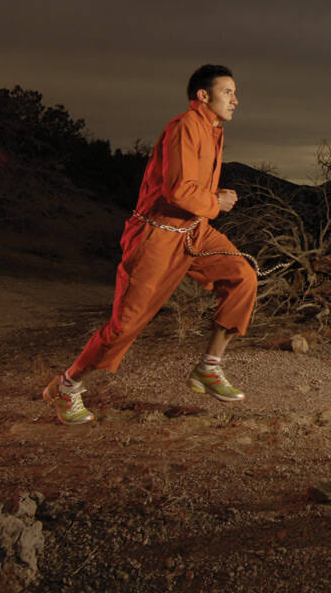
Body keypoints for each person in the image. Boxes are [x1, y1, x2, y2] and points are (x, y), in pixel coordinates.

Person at [43, 65, 257, 424]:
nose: (236, 100)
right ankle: (66, 386)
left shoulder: (212, 130)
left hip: (194, 230)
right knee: (125, 325)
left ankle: (209, 366)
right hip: (156, 237)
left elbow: (189, 187)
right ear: (203, 95)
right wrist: (215, 202)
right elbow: (177, 190)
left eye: (235, 93)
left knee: (242, 277)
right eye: (228, 92)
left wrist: (212, 197)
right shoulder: (185, 126)